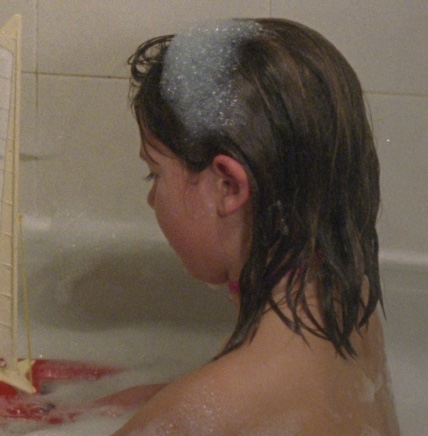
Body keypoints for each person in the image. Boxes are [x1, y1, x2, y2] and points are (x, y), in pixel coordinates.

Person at [111, 18, 400, 435]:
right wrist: (133, 400)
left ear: (228, 187)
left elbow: (219, 408)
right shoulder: (350, 304)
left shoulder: (197, 415)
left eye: (154, 174)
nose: (151, 199)